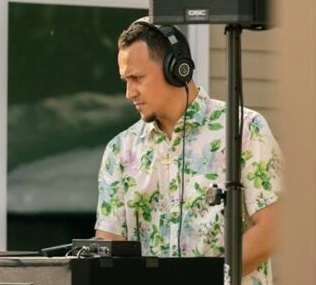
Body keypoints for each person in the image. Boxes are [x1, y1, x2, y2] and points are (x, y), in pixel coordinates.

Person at [94, 17, 282, 285]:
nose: (129, 92)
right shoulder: (119, 151)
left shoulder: (244, 129)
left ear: (176, 69)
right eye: (125, 80)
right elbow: (108, 248)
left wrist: (206, 279)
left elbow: (274, 227)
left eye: (136, 78)